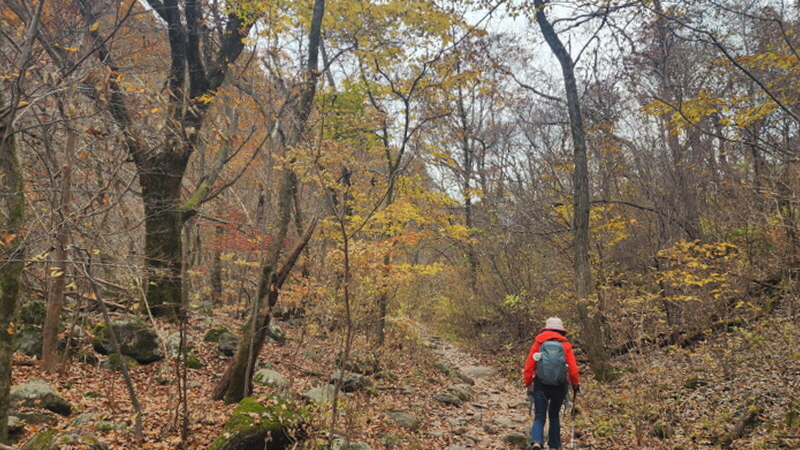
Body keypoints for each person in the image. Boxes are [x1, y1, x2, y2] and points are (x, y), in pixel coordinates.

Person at [523, 317, 580, 450]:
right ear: (561, 330)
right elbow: (572, 368)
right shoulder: (565, 345)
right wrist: (575, 383)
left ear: (546, 329)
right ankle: (554, 445)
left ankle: (537, 442)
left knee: (539, 416)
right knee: (554, 415)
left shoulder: (539, 343)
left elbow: (529, 365)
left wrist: (528, 382)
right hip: (560, 385)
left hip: (540, 384)